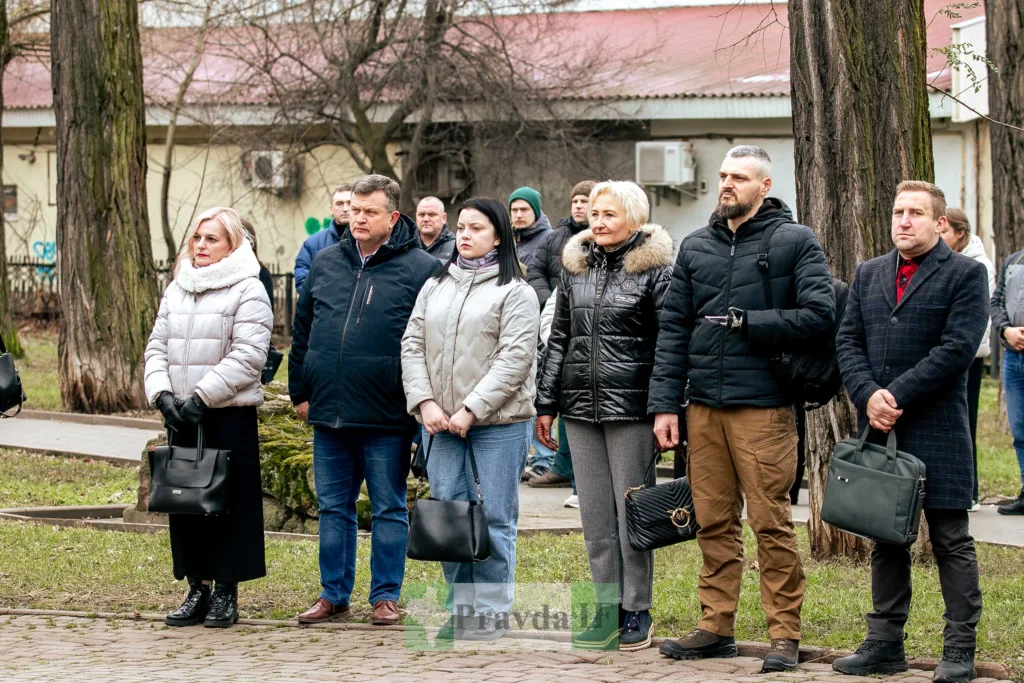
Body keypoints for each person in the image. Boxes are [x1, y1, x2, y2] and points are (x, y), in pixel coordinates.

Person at [648, 146, 835, 673]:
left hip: (764, 407)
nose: (726, 184)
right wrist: (665, 405)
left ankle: (784, 635)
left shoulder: (794, 241)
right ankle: (715, 627)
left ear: (764, 185)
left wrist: (751, 322)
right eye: (723, 175)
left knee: (770, 523)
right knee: (711, 520)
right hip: (703, 407)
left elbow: (821, 315)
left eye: (738, 177)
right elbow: (674, 331)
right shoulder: (697, 245)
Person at [833, 181, 987, 683]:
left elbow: (958, 348)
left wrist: (894, 395)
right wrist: (867, 395)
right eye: (898, 211)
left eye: (916, 213)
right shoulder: (869, 271)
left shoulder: (966, 274)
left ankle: (959, 650)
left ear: (939, 223)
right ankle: (883, 646)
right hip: (879, 429)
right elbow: (848, 340)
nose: (903, 221)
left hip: (937, 428)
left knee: (950, 539)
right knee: (886, 540)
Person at [289, 174, 439, 627]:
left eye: (368, 211)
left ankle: (385, 596)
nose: (357, 218)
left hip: (386, 414)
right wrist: (300, 392)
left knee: (389, 508)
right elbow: (301, 331)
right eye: (354, 210)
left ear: (392, 217)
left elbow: (428, 344)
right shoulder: (327, 261)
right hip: (329, 411)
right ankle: (333, 594)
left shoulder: (421, 269)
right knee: (334, 508)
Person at [536, 180, 674, 652]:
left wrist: (665, 408)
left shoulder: (657, 271)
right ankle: (605, 607)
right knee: (596, 517)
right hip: (579, 408)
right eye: (594, 213)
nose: (598, 221)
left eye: (609, 214)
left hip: (632, 410)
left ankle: (637, 608)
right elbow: (559, 338)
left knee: (631, 512)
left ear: (634, 219)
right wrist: (546, 404)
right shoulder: (574, 269)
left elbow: (668, 346)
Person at [401, 197, 539, 641]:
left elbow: (514, 359)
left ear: (498, 236)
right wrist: (425, 403)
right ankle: (462, 610)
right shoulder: (435, 285)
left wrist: (470, 410)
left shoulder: (516, 291)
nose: (464, 235)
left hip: (497, 425)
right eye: (461, 227)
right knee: (448, 518)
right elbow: (412, 344)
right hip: (439, 424)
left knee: (496, 517)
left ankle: (493, 612)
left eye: (476, 228)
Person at [144, 207, 273, 629]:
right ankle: (196, 587)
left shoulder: (248, 290)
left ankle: (225, 592)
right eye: (197, 238)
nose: (200, 245)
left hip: (225, 416)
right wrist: (161, 393)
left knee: (226, 506)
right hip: (181, 416)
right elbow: (156, 346)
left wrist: (203, 396)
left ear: (232, 244)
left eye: (211, 238)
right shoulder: (177, 288)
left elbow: (249, 355)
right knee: (184, 502)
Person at [525, 180, 598, 493]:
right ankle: (563, 467)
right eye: (576, 201)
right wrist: (547, 308)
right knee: (565, 407)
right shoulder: (556, 239)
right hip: (558, 330)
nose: (579, 206)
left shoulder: (603, 244)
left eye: (586, 201)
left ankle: (581, 479)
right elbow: (537, 273)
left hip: (591, 341)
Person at [940, 208, 995, 511]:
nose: (941, 238)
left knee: (965, 421)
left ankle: (969, 491)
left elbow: (980, 317)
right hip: (950, 354)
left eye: (945, 233)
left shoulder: (979, 266)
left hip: (969, 357)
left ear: (960, 233)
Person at [990, 230, 1024, 515]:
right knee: (1020, 430)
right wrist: (1006, 330)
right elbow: (996, 302)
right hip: (1014, 357)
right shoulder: (1014, 260)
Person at [294, 185, 351, 294]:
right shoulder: (312, 244)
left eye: (350, 203)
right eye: (339, 203)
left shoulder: (367, 241)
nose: (345, 208)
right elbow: (303, 283)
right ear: (331, 209)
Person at [508, 186, 553, 268]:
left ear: (535, 212)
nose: (518, 215)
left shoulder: (551, 240)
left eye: (524, 209)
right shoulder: (504, 239)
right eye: (514, 210)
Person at [415, 196, 455, 261]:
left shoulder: (456, 248)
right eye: (421, 214)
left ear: (444, 218)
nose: (425, 219)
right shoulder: (406, 246)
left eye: (432, 214)